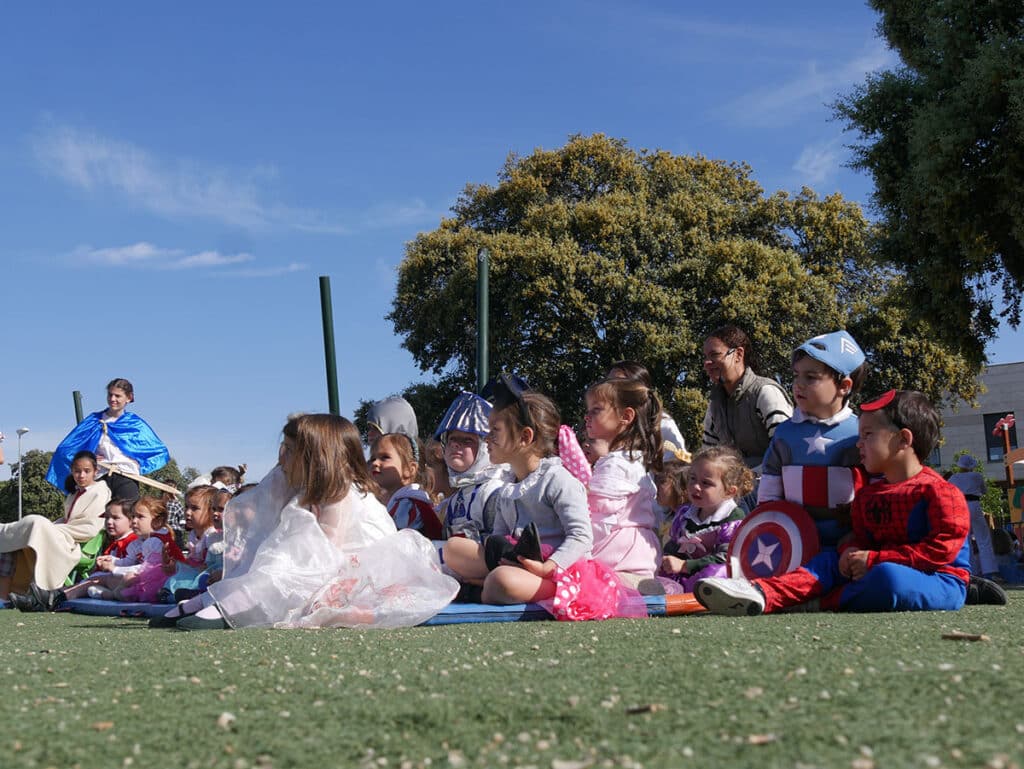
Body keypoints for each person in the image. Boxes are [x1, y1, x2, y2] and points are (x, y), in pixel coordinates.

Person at [154, 414, 457, 630]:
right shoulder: (310, 491)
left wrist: (285, 564)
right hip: (326, 558)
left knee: (290, 551)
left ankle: (233, 604)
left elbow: (326, 549)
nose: (281, 458)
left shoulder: (340, 492)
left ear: (313, 457)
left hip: (359, 564)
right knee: (281, 547)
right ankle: (218, 597)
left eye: (289, 451)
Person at [695, 390, 977, 615]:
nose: (859, 444)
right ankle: (760, 592)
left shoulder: (941, 493)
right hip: (873, 568)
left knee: (888, 578)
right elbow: (861, 537)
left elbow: (940, 552)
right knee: (828, 561)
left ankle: (819, 603)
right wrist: (850, 550)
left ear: (903, 439)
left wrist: (874, 559)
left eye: (868, 435)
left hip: (939, 579)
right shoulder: (867, 495)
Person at [442, 382, 593, 605]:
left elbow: (581, 537)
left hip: (558, 570)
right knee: (453, 548)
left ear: (524, 437)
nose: (486, 438)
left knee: (502, 581)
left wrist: (547, 568)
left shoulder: (557, 479)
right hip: (519, 563)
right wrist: (502, 556)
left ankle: (486, 589)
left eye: (494, 430)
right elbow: (499, 539)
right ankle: (489, 586)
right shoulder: (507, 487)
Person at [757, 330, 868, 550]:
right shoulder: (784, 433)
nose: (798, 384)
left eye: (811, 377)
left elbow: (877, 488)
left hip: (848, 544)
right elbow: (769, 492)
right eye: (796, 375)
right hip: (793, 544)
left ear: (844, 386)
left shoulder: (862, 432)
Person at [20, 497, 184, 610]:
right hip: (141, 581)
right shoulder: (141, 541)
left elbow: (144, 569)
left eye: (139, 517)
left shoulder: (156, 541)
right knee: (96, 579)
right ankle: (49, 597)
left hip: (152, 585)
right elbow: (128, 561)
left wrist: (113, 568)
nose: (134, 521)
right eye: (133, 516)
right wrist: (113, 560)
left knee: (98, 579)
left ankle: (52, 599)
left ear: (157, 521)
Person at [583, 377, 664, 590]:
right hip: (641, 556)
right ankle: (638, 584)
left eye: (596, 410)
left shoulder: (614, 463)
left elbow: (599, 519)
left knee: (574, 582)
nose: (587, 416)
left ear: (626, 416)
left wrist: (575, 549)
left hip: (617, 555)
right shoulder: (635, 459)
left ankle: (625, 585)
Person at [2, 450, 112, 599]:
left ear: (96, 471)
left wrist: (52, 529)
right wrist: (52, 527)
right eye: (77, 471)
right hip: (66, 535)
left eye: (87, 471)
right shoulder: (73, 494)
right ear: (72, 471)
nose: (81, 476)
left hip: (80, 544)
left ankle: (39, 590)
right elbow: (67, 521)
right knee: (24, 536)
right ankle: (10, 594)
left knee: (36, 523)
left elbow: (90, 527)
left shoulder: (100, 492)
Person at [46, 378, 169, 501]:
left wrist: (137, 463)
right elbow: (66, 449)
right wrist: (89, 457)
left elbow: (158, 450)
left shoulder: (135, 424)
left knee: (125, 514)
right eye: (110, 395)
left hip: (126, 476)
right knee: (96, 515)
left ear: (129, 398)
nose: (112, 399)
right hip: (100, 476)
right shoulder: (94, 420)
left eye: (117, 396)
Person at [659, 447, 751, 593]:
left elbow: (727, 558)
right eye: (693, 479)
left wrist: (686, 565)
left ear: (729, 491)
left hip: (714, 575)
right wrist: (666, 560)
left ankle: (703, 593)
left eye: (706, 483)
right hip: (686, 572)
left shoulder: (733, 518)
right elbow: (674, 546)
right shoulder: (685, 514)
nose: (696, 486)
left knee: (718, 573)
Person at [701, 326, 792, 471]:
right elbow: (708, 457)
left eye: (715, 355)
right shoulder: (714, 406)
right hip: (733, 489)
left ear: (738, 354)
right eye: (705, 357)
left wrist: (747, 479)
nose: (707, 363)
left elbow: (787, 449)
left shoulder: (765, 392)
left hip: (772, 487)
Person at [434, 392, 509, 542]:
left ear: (485, 448)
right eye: (451, 439)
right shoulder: (454, 500)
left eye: (467, 440)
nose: (455, 444)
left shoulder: (494, 493)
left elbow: (500, 545)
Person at [606, 361, 689, 463]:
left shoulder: (662, 425)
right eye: (608, 383)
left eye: (618, 383)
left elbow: (677, 465)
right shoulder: (606, 422)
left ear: (638, 388)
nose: (609, 388)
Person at [369, 433, 443, 539]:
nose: (375, 463)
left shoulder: (408, 504)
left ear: (409, 469)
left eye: (385, 457)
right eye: (372, 458)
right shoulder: (400, 501)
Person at [947, 454, 1001, 581]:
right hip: (975, 505)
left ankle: (971, 570)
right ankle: (989, 570)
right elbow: (984, 491)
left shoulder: (953, 478)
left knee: (966, 540)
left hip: (960, 506)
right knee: (983, 538)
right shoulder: (977, 476)